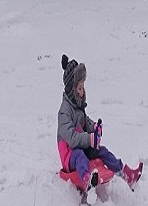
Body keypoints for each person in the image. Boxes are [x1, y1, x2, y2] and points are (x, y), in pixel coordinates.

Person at [57, 54, 143, 192]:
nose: (82, 91)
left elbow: (85, 122)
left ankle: (127, 176)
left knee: (101, 151)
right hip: (70, 155)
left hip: (82, 148)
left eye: (83, 87)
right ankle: (87, 181)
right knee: (79, 156)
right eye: (79, 88)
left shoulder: (78, 107)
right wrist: (89, 138)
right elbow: (72, 139)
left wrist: (94, 127)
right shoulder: (64, 113)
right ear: (71, 90)